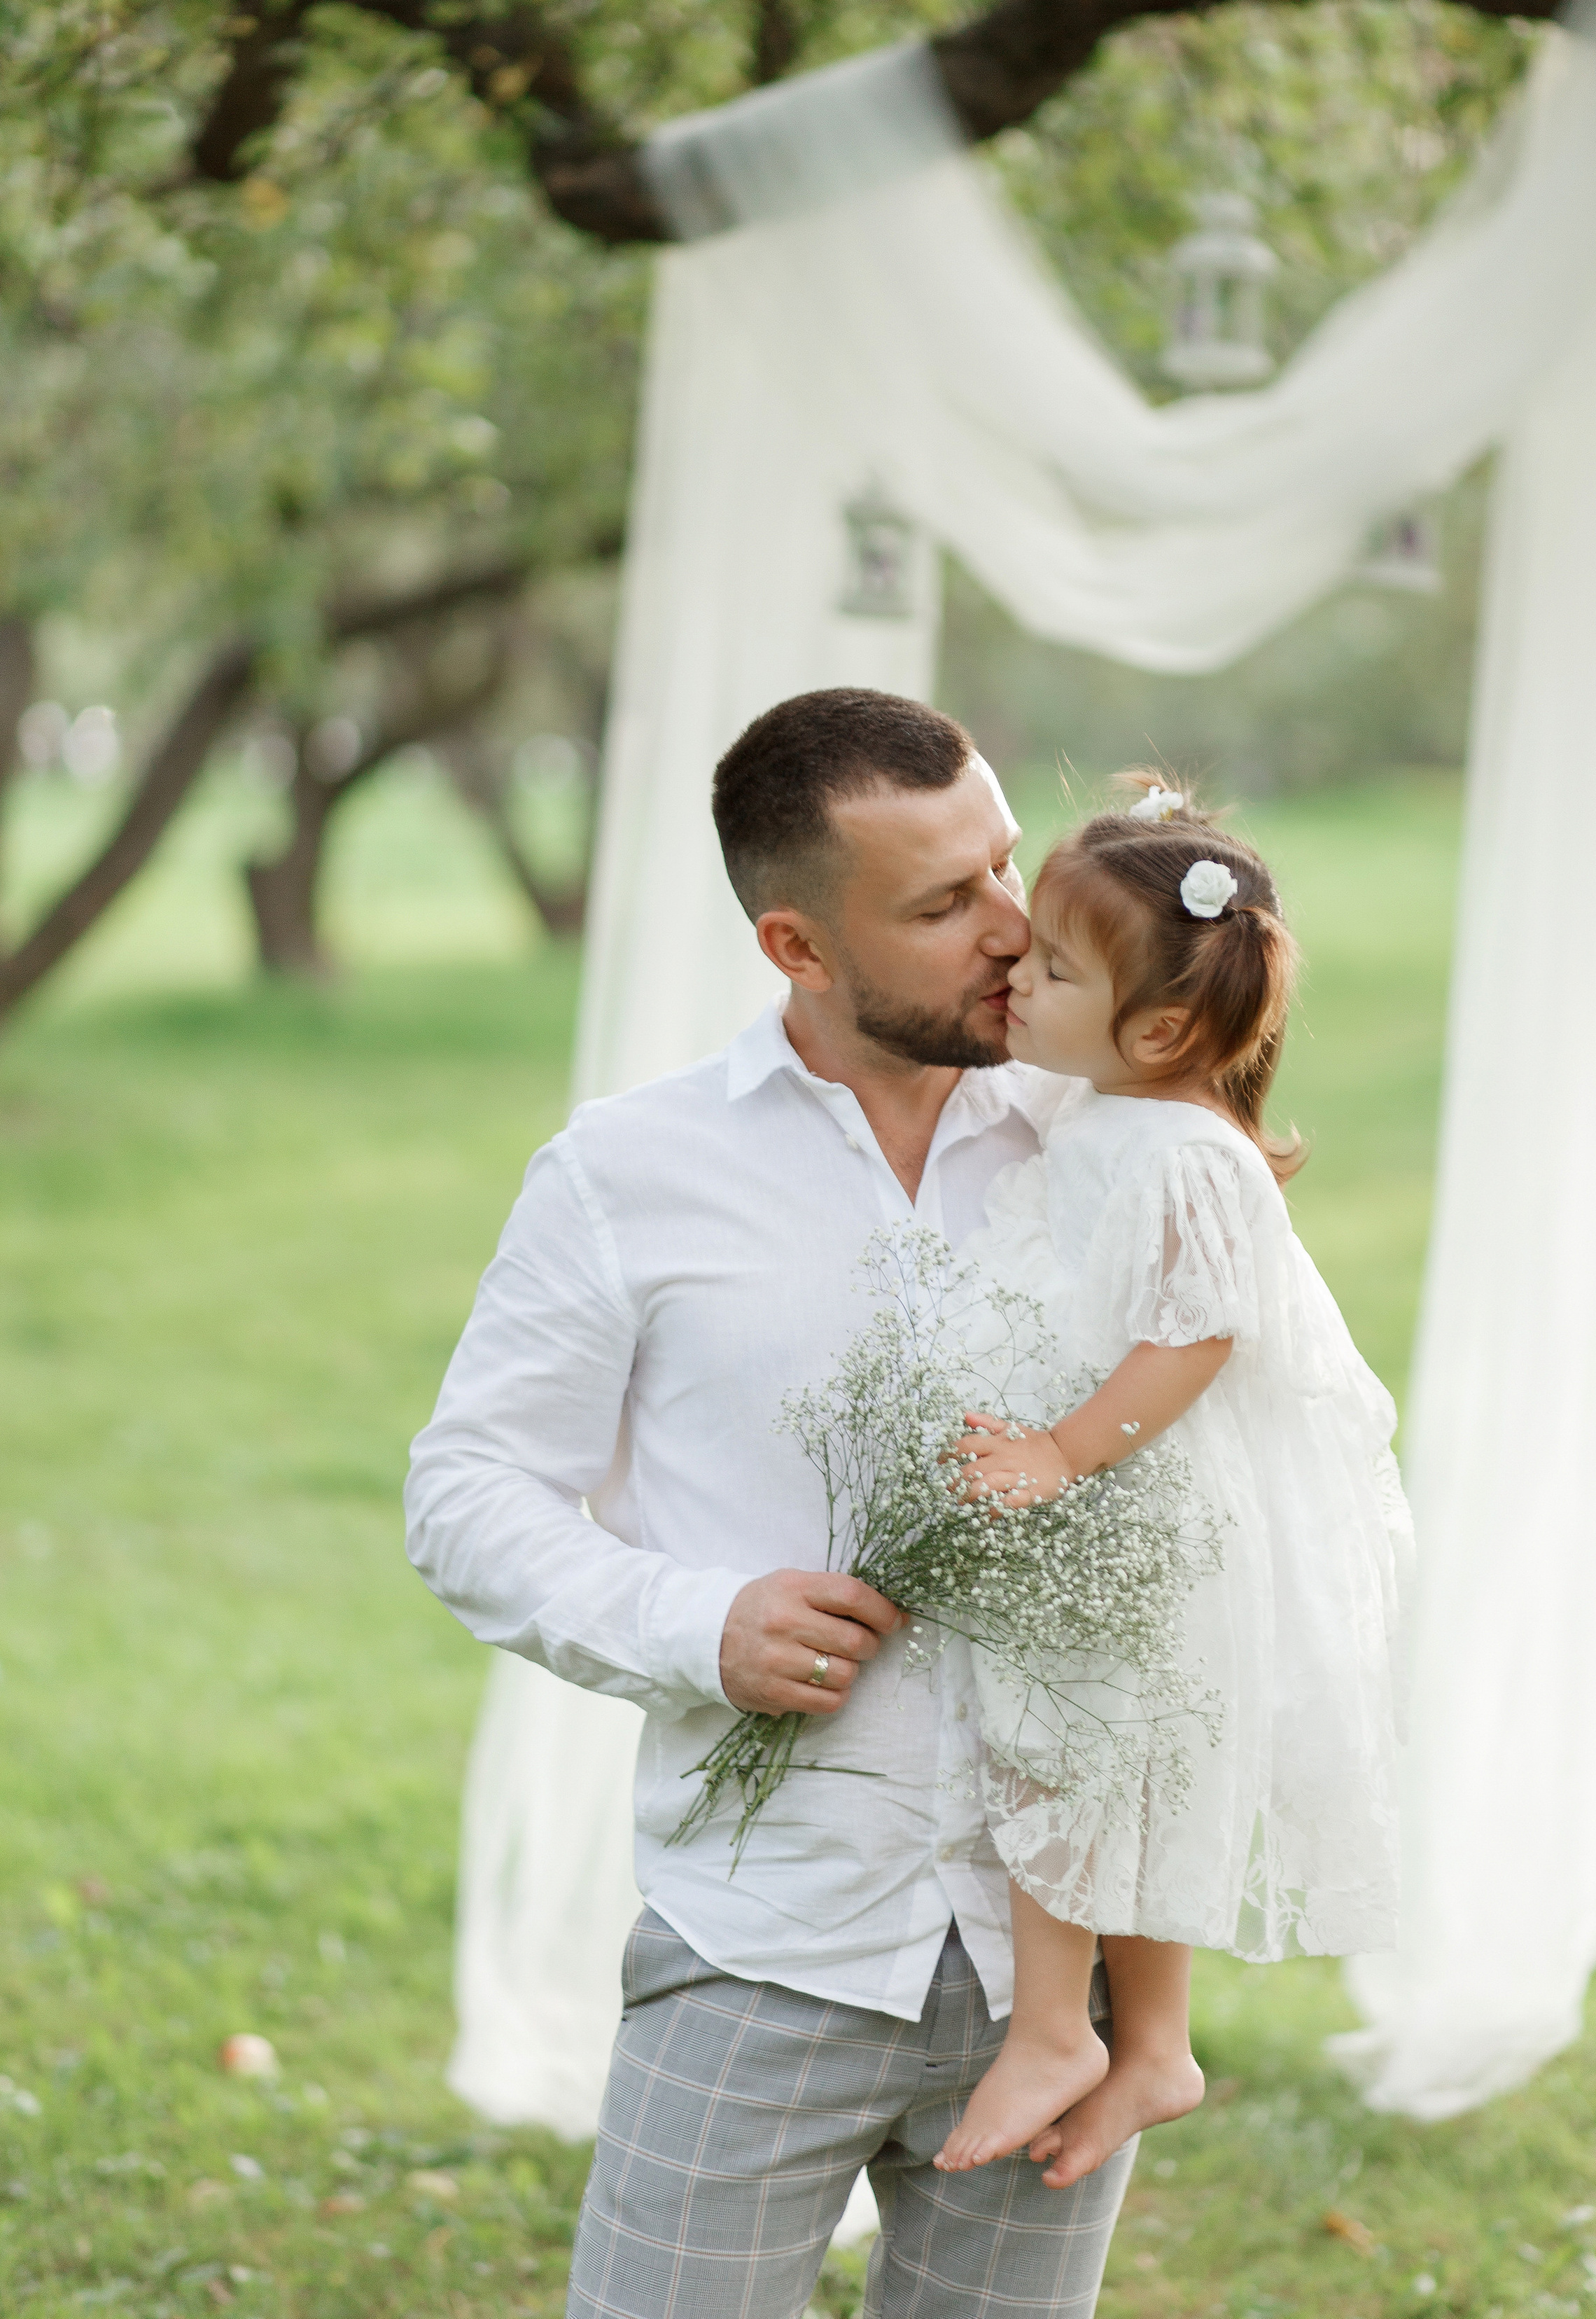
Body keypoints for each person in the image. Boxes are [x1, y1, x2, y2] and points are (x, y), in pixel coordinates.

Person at [404, 689, 1138, 2319]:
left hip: (1056, 1954)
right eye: (942, 904)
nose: (1011, 925)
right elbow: (465, 1491)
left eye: (1003, 864)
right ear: (796, 948)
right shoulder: (625, 1174)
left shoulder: (1114, 1140)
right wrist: (697, 1623)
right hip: (764, 1942)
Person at [932, 778, 1413, 2189]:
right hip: (1121, 1489)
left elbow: (1199, 1333)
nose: (1016, 976)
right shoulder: (1114, 1107)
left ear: (1153, 1031)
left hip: (1136, 1494)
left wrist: (1059, 1453)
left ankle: (1052, 2030)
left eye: (1051, 969)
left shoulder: (1187, 1155)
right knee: (1134, 1770)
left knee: (1067, 1740)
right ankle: (1150, 2047)